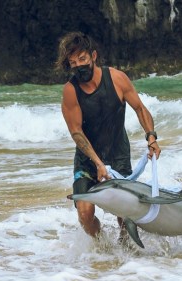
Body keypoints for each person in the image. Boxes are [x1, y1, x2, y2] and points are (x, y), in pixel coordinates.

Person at [56, 32, 161, 240]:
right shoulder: (70, 91)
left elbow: (140, 109)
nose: (78, 66)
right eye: (73, 62)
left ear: (93, 56)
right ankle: (102, 248)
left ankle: (126, 253)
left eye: (82, 59)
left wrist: (151, 137)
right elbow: (76, 132)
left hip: (118, 156)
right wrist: (97, 163)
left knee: (126, 215)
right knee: (85, 214)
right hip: (87, 162)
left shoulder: (116, 78)